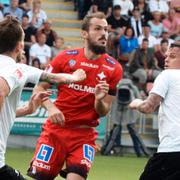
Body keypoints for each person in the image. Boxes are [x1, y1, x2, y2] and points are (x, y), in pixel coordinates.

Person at [27, 12, 123, 180]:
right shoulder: (65, 58)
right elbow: (38, 89)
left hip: (83, 136)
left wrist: (99, 100)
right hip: (55, 132)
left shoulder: (114, 68)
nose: (104, 34)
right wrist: (51, 107)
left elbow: (103, 111)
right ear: (84, 33)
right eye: (98, 29)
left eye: (106, 30)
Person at [0, 15, 86, 180]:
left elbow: (4, 111)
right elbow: (54, 78)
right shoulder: (17, 69)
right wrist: (74, 77)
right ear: (19, 46)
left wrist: (28, 110)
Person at [129, 41, 180, 180]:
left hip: (172, 151)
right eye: (167, 55)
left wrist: (137, 103)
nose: (167, 59)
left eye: (173, 56)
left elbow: (148, 107)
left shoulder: (167, 75)